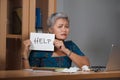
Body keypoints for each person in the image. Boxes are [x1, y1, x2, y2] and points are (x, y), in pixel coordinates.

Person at [21, 12, 90, 69]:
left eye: (67, 26)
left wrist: (65, 50)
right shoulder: (40, 47)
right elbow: (29, 74)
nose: (64, 30)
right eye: (60, 26)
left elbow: (86, 65)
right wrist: (25, 56)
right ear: (50, 29)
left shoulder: (70, 45)